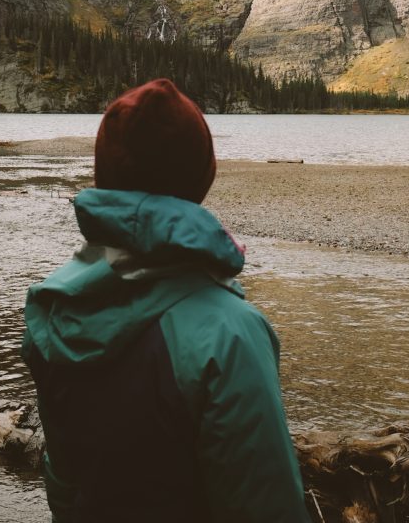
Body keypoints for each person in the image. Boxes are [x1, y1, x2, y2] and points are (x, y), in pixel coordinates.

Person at [22, 77, 309, 523]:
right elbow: (266, 506)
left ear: (107, 177)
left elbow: (63, 482)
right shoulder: (230, 331)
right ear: (201, 177)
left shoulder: (53, 308)